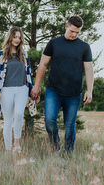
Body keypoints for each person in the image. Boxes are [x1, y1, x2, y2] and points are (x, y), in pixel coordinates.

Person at [30, 16, 94, 153]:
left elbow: (89, 69)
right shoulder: (54, 43)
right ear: (66, 27)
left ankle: (68, 153)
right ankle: (55, 146)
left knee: (70, 125)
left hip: (74, 94)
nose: (74, 35)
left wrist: (90, 90)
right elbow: (43, 64)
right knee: (49, 120)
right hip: (54, 91)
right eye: (72, 31)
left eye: (78, 32)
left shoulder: (84, 47)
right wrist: (36, 86)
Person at [0, 26, 37, 152]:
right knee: (8, 121)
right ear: (10, 37)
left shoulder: (23, 55)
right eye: (15, 37)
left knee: (19, 114)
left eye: (19, 38)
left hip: (22, 88)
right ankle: (8, 149)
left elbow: (29, 74)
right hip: (6, 91)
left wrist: (32, 90)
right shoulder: (0, 55)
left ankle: (17, 144)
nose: (17, 40)